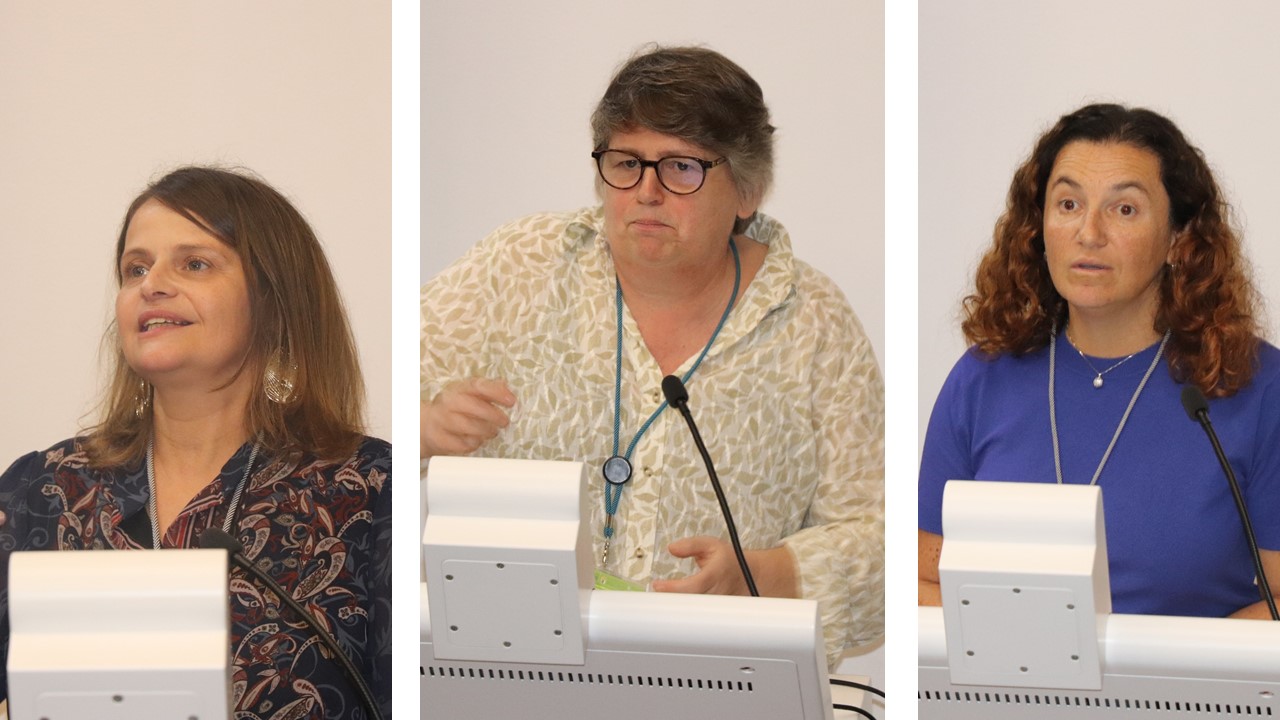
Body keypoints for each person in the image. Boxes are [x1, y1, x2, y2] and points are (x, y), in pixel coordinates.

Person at [421, 45, 884, 667]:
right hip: (514, 670)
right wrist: (426, 426)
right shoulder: (519, 266)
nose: (646, 192)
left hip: (719, 681)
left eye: (681, 168)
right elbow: (353, 420)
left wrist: (767, 573)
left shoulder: (813, 320)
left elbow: (878, 539)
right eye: (626, 163)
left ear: (748, 190)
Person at [0, 167, 391, 718]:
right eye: (136, 268)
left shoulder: (368, 489)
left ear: (273, 300)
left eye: (195, 264)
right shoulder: (44, 490)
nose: (151, 284)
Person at [918, 103, 1280, 619]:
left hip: (1183, 675)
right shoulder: (983, 378)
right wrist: (1031, 640)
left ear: (1178, 239)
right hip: (1010, 672)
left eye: (1124, 209)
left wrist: (1163, 658)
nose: (1089, 232)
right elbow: (921, 577)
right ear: (1038, 227)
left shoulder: (1256, 386)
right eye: (1068, 204)